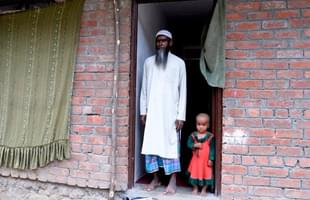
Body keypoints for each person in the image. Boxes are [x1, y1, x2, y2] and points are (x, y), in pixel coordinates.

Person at [140, 29, 187, 194]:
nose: (161, 43)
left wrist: (181, 116)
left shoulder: (179, 63)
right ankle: (155, 179)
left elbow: (183, 91)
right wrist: (142, 111)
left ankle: (172, 181)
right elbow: (144, 88)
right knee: (151, 146)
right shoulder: (148, 63)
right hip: (153, 112)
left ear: (170, 43)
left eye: (164, 41)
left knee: (171, 146)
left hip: (171, 114)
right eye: (158, 41)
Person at [187, 113, 214, 196]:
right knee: (194, 173)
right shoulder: (193, 135)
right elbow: (188, 144)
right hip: (196, 160)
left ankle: (204, 189)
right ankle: (195, 188)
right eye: (198, 124)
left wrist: (211, 159)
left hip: (206, 161)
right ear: (196, 124)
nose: (200, 126)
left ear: (208, 125)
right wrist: (194, 145)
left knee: (206, 173)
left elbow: (212, 149)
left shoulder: (210, 137)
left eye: (203, 124)